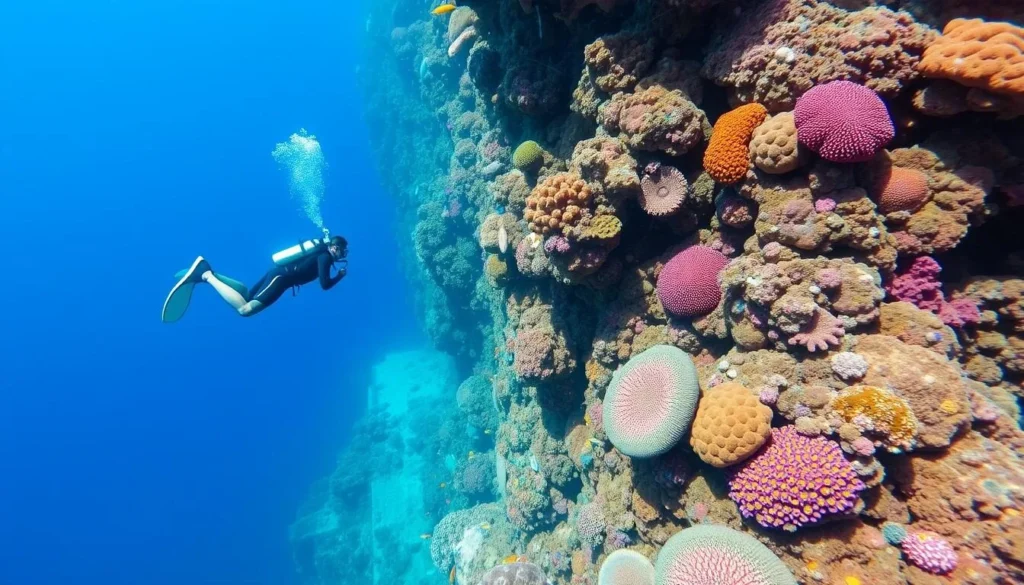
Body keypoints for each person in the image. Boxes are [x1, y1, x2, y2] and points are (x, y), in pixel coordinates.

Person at [163, 235, 348, 321]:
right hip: (281, 279)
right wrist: (339, 276)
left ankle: (208, 272)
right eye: (343, 251)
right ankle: (206, 275)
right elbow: (324, 284)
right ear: (335, 248)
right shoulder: (325, 257)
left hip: (277, 273)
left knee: (245, 296)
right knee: (245, 309)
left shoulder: (321, 254)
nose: (343, 255)